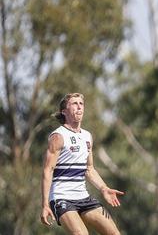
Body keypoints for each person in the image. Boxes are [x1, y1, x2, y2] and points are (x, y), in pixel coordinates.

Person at [40, 93, 124, 235]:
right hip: (62, 198)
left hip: (83, 197)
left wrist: (104, 188)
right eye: (74, 103)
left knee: (114, 233)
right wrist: (44, 204)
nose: (79, 106)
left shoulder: (87, 136)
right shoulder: (58, 136)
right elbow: (47, 170)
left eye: (81, 103)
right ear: (64, 112)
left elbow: (89, 169)